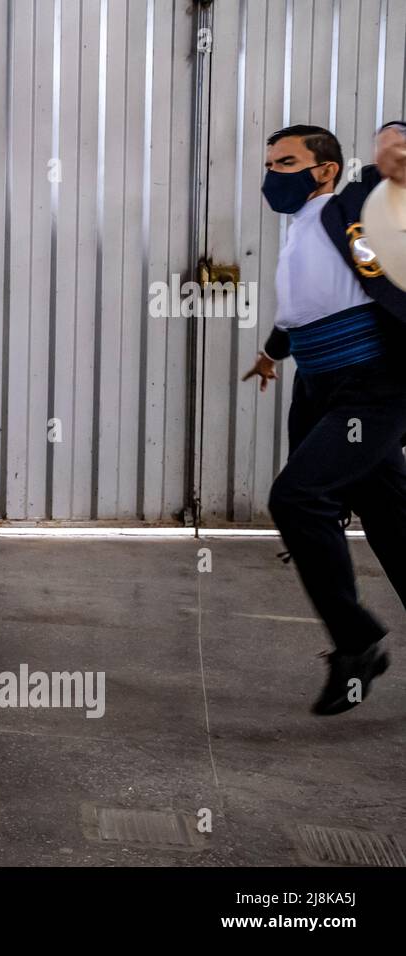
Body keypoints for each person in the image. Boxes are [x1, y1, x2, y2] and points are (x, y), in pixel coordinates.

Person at [242, 123, 406, 715]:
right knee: (392, 520)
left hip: (371, 383)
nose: (272, 174)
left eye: (286, 163)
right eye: (269, 163)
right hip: (321, 387)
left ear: (325, 169)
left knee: (297, 498)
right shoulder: (300, 230)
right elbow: (302, 308)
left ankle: (358, 642)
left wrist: (397, 138)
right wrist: (270, 354)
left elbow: (393, 179)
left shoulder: (350, 203)